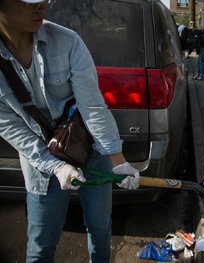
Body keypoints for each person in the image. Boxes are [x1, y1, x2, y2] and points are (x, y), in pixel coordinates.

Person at [0, 0, 140, 261]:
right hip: (41, 162)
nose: (39, 8)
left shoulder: (67, 41)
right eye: (28, 3)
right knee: (41, 245)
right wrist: (56, 167)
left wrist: (118, 161)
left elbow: (92, 106)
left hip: (91, 149)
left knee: (100, 228)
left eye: (42, 2)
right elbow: (11, 128)